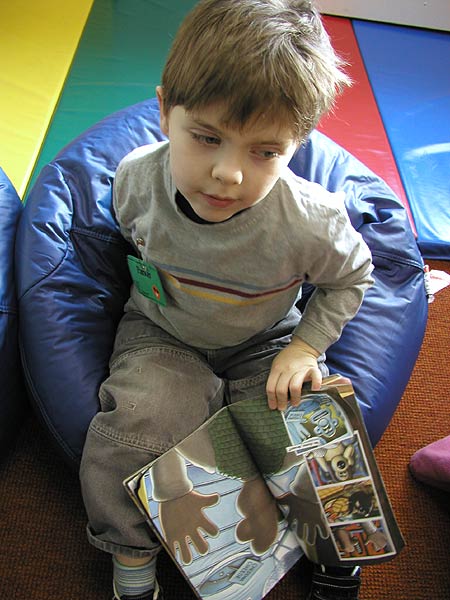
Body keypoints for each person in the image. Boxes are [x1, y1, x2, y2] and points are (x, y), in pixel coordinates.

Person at [79, 1, 374, 599]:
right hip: (162, 329)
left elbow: (352, 277)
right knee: (142, 422)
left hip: (265, 337)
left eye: (264, 152)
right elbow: (124, 247)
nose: (228, 174)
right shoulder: (136, 178)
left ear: (297, 145)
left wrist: (306, 346)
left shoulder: (310, 221)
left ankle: (337, 548)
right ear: (164, 110)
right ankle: (131, 551)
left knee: (310, 428)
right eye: (207, 138)